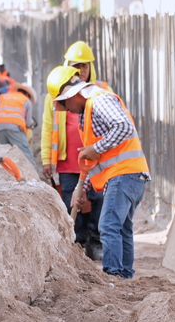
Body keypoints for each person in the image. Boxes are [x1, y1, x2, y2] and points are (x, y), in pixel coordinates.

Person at [54, 75, 149, 280]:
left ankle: (113, 275)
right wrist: (83, 189)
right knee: (122, 228)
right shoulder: (86, 115)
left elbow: (123, 127)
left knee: (108, 225)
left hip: (125, 174)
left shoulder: (99, 100)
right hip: (127, 175)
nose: (66, 109)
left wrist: (96, 148)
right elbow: (94, 161)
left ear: (76, 94)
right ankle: (124, 276)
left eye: (65, 102)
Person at [40, 64, 102, 261]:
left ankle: (95, 241)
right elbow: (48, 128)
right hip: (68, 162)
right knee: (71, 200)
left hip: (93, 160)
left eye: (83, 67)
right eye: (76, 67)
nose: (81, 71)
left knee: (96, 200)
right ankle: (78, 242)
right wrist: (46, 158)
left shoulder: (95, 97)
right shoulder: (57, 97)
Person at [0, 81, 37, 163]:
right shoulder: (26, 100)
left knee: (5, 153)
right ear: (28, 94)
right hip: (15, 128)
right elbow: (28, 122)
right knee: (25, 152)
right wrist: (31, 125)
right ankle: (34, 173)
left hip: (0, 127)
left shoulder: (3, 96)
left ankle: (7, 173)